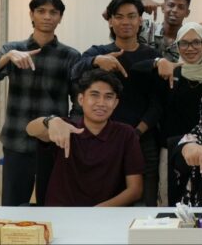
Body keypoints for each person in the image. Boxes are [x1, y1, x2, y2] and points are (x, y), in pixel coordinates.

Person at [0, 0, 80, 206]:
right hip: (17, 140)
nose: (47, 16)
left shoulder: (70, 56)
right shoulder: (12, 50)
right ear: (31, 15)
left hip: (53, 144)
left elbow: (79, 100)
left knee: (53, 205)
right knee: (12, 207)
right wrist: (7, 57)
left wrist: (69, 129)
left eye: (53, 12)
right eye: (41, 11)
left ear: (60, 18)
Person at [70, 0, 163, 206]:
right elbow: (74, 72)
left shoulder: (153, 55)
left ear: (140, 20)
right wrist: (96, 61)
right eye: (119, 17)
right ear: (110, 21)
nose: (125, 22)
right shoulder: (99, 52)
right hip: (104, 140)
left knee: (144, 205)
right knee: (104, 200)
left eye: (131, 16)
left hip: (143, 140)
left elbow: (157, 104)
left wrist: (135, 133)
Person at [26, 70, 144, 206]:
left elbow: (135, 189)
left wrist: (97, 211)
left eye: (108, 97)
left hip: (105, 214)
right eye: (94, 95)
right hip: (61, 213)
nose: (101, 103)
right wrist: (50, 121)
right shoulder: (64, 127)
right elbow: (30, 129)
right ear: (81, 99)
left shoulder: (126, 134)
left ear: (115, 103)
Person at [157, 22, 202, 206]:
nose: (190, 48)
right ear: (177, 45)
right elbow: (136, 70)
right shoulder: (169, 74)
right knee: (171, 204)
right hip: (172, 149)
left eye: (197, 42)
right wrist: (158, 61)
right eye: (184, 43)